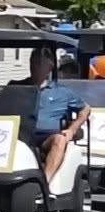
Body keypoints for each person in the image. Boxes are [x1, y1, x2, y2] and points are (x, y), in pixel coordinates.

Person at [23, 45, 91, 182]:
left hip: (46, 137)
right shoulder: (18, 87)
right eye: (32, 62)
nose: (34, 66)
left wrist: (72, 129)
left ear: (49, 66)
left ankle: (44, 184)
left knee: (60, 139)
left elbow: (85, 109)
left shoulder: (62, 92)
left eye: (38, 63)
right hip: (20, 134)